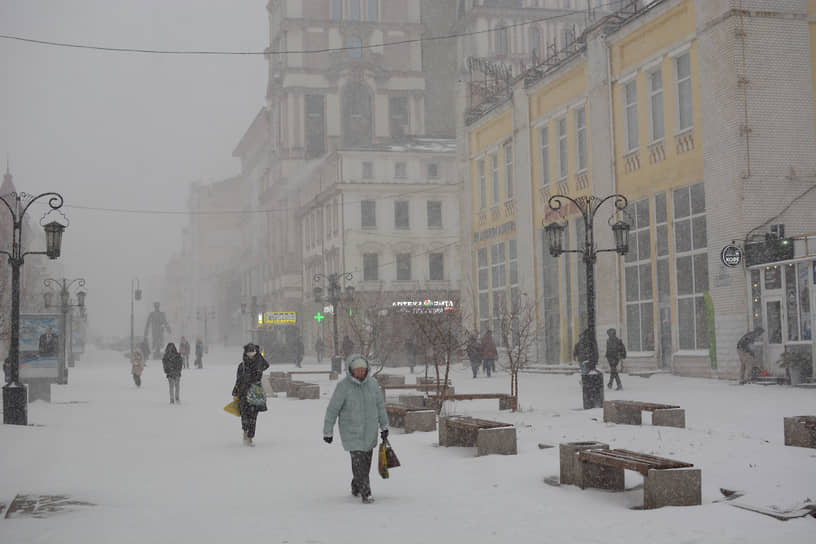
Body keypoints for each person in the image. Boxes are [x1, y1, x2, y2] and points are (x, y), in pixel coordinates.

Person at [323, 354, 389, 504]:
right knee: (358, 462)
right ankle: (366, 492)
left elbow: (380, 407)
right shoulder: (343, 387)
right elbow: (333, 410)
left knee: (365, 464)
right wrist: (328, 431)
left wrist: (384, 425)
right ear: (351, 370)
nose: (360, 372)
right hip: (351, 432)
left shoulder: (373, 384)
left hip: (370, 431)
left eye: (363, 370)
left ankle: (356, 484)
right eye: (357, 370)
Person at [232, 343, 270, 446]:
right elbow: (238, 379)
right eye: (249, 352)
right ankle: (245, 431)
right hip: (244, 393)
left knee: (253, 416)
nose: (251, 354)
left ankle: (250, 437)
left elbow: (267, 365)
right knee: (245, 415)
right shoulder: (242, 365)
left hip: (255, 392)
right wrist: (235, 390)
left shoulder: (259, 363)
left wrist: (259, 356)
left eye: (253, 352)